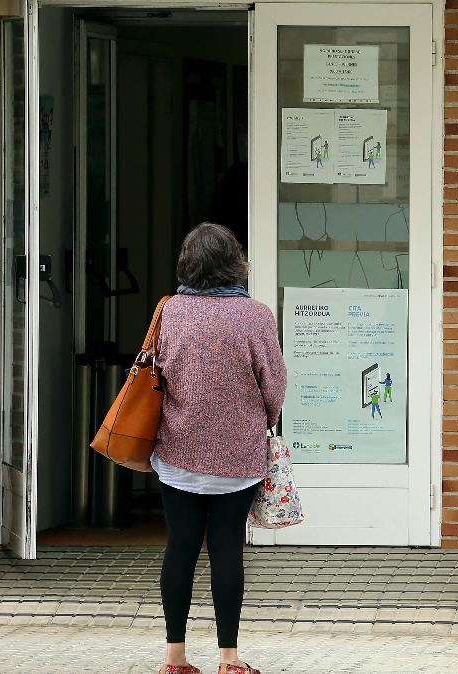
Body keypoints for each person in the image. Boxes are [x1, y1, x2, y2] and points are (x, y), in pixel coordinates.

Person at [152, 223, 287, 674]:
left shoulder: (170, 311)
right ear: (236, 263)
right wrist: (261, 421)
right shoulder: (256, 316)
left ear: (187, 263)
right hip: (238, 456)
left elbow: (159, 373)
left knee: (181, 545)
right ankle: (228, 659)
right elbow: (275, 386)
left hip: (177, 449)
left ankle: (175, 658)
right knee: (227, 546)